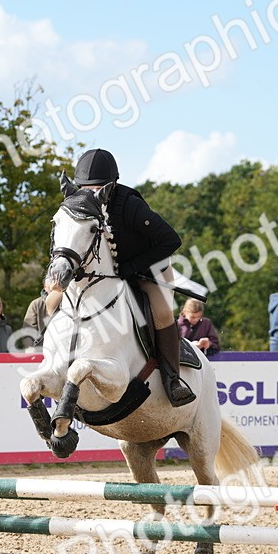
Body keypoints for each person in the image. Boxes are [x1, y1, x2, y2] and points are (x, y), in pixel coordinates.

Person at [58, 148, 195, 406]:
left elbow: (171, 240)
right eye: (85, 188)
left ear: (111, 186)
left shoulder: (130, 205)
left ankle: (172, 379)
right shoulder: (78, 205)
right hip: (105, 274)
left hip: (148, 269)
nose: (90, 194)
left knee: (161, 312)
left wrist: (132, 267)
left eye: (97, 188)